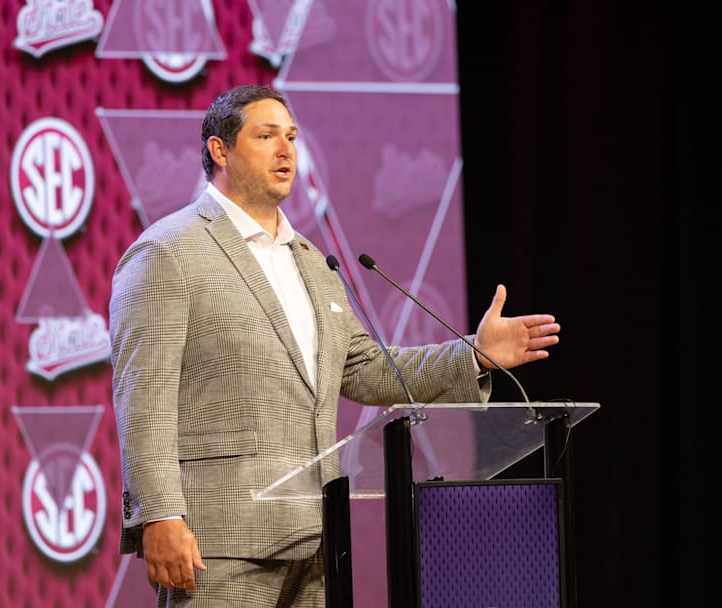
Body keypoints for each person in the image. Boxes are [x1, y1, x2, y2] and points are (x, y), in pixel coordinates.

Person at [108, 84, 561, 607]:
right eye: (266, 135)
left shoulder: (309, 260)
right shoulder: (169, 251)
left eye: (292, 137)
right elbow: (144, 399)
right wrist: (159, 516)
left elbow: (368, 369)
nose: (286, 150)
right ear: (220, 150)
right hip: (220, 544)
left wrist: (472, 355)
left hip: (315, 542)